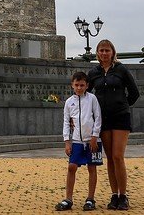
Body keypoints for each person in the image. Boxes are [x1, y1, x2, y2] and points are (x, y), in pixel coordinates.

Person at [87, 39, 139, 211]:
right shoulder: (93, 72)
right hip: (102, 119)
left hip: (120, 117)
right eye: (101, 50)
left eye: (107, 50)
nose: (104, 53)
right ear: (97, 53)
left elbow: (134, 92)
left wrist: (122, 104)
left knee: (118, 156)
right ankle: (114, 195)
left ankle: (123, 196)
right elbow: (86, 95)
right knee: (109, 158)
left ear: (112, 52)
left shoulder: (121, 69)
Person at [56, 71, 103, 211]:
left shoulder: (92, 98)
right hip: (76, 140)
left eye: (82, 85)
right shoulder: (69, 102)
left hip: (92, 140)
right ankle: (68, 198)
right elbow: (66, 122)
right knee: (72, 167)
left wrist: (95, 136)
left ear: (87, 85)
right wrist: (67, 141)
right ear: (72, 85)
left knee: (91, 167)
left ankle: (90, 199)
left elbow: (98, 117)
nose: (79, 88)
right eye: (76, 85)